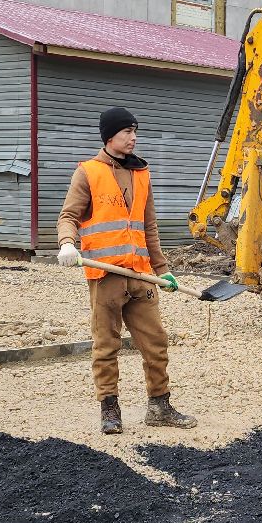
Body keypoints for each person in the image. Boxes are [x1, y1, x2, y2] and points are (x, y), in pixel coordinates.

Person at [56, 107, 197, 435]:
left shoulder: (141, 173)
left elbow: (149, 227)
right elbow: (68, 216)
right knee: (106, 344)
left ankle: (159, 406)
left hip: (141, 275)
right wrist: (66, 243)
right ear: (110, 136)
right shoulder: (88, 172)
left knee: (156, 341)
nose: (133, 137)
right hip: (105, 275)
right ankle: (109, 409)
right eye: (126, 131)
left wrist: (163, 270)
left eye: (135, 131)